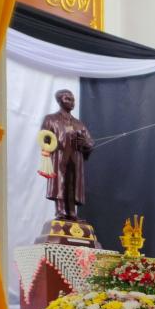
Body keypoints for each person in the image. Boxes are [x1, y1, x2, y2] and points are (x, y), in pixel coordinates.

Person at [41, 89, 94, 220]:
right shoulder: (51, 119)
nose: (72, 102)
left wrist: (84, 143)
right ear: (60, 101)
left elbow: (90, 142)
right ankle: (60, 211)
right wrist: (52, 145)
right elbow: (44, 138)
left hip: (75, 158)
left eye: (73, 100)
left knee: (72, 183)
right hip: (59, 156)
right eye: (68, 99)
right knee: (60, 183)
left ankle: (71, 212)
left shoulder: (78, 123)